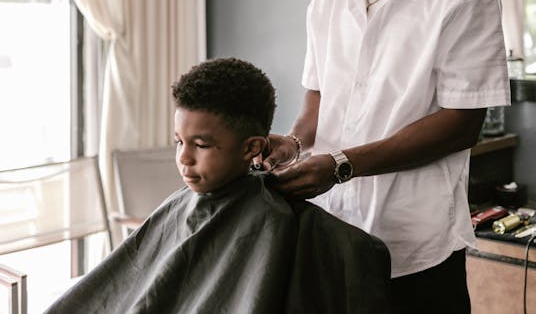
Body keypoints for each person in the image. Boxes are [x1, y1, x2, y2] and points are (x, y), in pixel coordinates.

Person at [263, 0, 510, 313]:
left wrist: (340, 164)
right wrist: (294, 146)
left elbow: (461, 123)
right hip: (334, 236)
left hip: (416, 249)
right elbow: (318, 100)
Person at [46, 57, 392, 313]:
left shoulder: (272, 219)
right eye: (179, 141)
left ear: (252, 148)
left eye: (202, 145)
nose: (184, 158)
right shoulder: (180, 205)